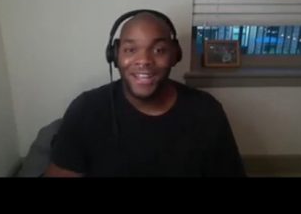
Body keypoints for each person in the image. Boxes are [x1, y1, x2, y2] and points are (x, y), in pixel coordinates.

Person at [45, 10, 245, 177]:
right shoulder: (86, 110)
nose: (144, 61)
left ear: (175, 55)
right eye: (131, 49)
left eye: (158, 50)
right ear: (114, 55)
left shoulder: (207, 111)